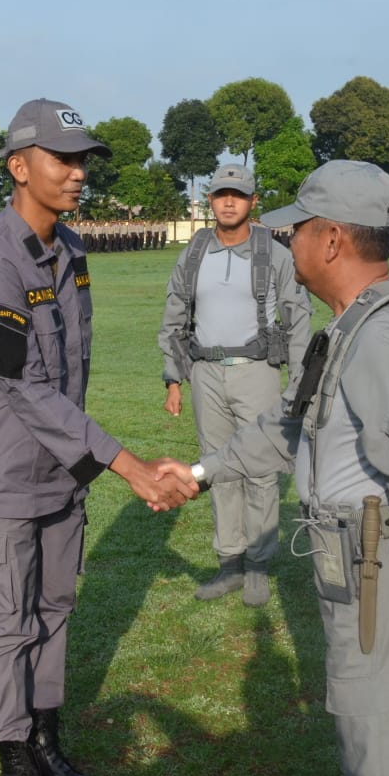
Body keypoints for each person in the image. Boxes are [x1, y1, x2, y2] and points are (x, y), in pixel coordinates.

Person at [160, 160, 389, 776]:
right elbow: (288, 426)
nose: (290, 241)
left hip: (379, 574)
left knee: (387, 757)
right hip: (352, 569)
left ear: (332, 239)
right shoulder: (349, 327)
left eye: (299, 230)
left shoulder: (382, 339)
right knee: (365, 738)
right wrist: (200, 472)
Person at [0, 98, 193, 776]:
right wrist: (128, 465)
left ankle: (49, 746)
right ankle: (16, 767)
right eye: (63, 158)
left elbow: (69, 379)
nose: (78, 173)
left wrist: (88, 464)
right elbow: (23, 387)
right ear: (19, 167)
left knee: (55, 611)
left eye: (83, 159)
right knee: (5, 625)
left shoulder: (72, 250)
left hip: (59, 471)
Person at [158, 162, 312, 606]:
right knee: (218, 469)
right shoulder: (192, 253)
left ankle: (259, 565)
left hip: (257, 371)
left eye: (238, 195)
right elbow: (173, 318)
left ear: (252, 202)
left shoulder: (275, 254)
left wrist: (298, 385)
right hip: (206, 373)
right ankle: (229, 562)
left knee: (262, 471)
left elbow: (299, 321)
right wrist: (174, 379)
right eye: (221, 193)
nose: (229, 201)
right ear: (210, 200)